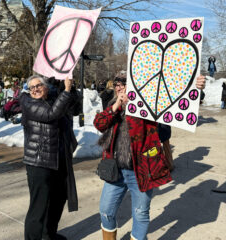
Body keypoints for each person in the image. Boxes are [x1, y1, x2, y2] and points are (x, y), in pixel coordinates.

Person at [94, 72, 206, 240]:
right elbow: (99, 124)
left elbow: (177, 99)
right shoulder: (112, 104)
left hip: (141, 170)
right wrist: (117, 104)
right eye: (117, 84)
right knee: (106, 211)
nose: (119, 88)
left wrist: (196, 88)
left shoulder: (148, 105)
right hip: (115, 170)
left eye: (124, 84)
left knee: (140, 214)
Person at [20, 75, 81, 240]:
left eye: (39, 85)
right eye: (32, 87)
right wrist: (66, 91)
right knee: (38, 207)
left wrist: (69, 86)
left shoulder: (53, 98)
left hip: (58, 160)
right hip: (38, 162)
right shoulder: (28, 102)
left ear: (46, 86)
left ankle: (49, 235)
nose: (35, 89)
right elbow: (50, 115)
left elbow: (75, 108)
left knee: (57, 200)